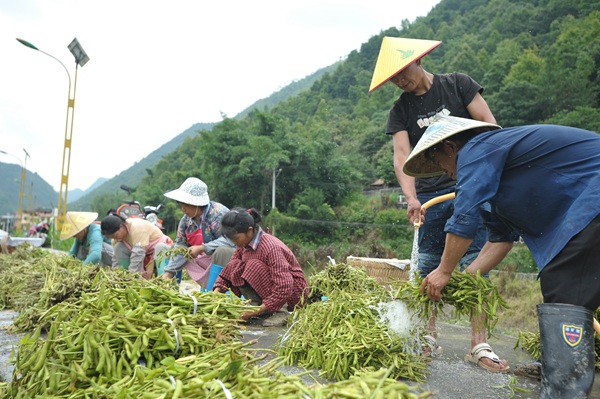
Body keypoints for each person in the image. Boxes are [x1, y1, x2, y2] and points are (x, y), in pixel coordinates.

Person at [404, 114, 600, 398]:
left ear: (450, 147)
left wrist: (444, 271)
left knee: (564, 283)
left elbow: (464, 217)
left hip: (591, 195)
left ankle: (563, 392)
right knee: (576, 284)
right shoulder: (495, 177)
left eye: (437, 159)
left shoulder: (477, 148)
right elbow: (501, 239)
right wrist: (466, 278)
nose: (440, 169)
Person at [369, 36, 508, 371]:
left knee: (477, 263)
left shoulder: (458, 85)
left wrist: (484, 178)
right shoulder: (401, 110)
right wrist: (413, 197)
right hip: (431, 197)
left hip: (472, 188)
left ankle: (479, 344)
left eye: (403, 71)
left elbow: (489, 128)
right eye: (394, 78)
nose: (400, 80)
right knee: (428, 264)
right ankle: (428, 337)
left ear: (420, 59)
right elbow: (402, 157)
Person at [212, 208, 309, 327]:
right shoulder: (243, 245)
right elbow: (228, 271)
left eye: (236, 239)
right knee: (235, 265)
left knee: (253, 265)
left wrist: (256, 311)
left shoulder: (271, 247)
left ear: (249, 230)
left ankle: (281, 311)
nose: (234, 243)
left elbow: (284, 285)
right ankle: (259, 306)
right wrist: (215, 294)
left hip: (292, 295)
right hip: (272, 291)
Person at [161, 177, 235, 287]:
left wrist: (202, 248)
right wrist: (168, 272)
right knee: (176, 250)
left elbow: (231, 240)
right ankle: (170, 288)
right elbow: (180, 246)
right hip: (205, 259)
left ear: (197, 203)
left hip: (228, 259)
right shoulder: (186, 221)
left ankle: (216, 290)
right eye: (181, 205)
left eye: (186, 205)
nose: (183, 209)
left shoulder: (218, 214)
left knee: (221, 251)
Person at [100, 214, 173, 279]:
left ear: (121, 227)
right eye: (112, 237)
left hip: (161, 252)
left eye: (115, 235)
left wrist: (132, 277)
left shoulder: (136, 228)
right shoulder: (116, 239)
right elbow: (115, 259)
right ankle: (124, 276)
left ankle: (163, 280)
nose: (115, 238)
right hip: (144, 254)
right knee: (118, 247)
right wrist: (116, 277)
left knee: (159, 247)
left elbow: (137, 255)